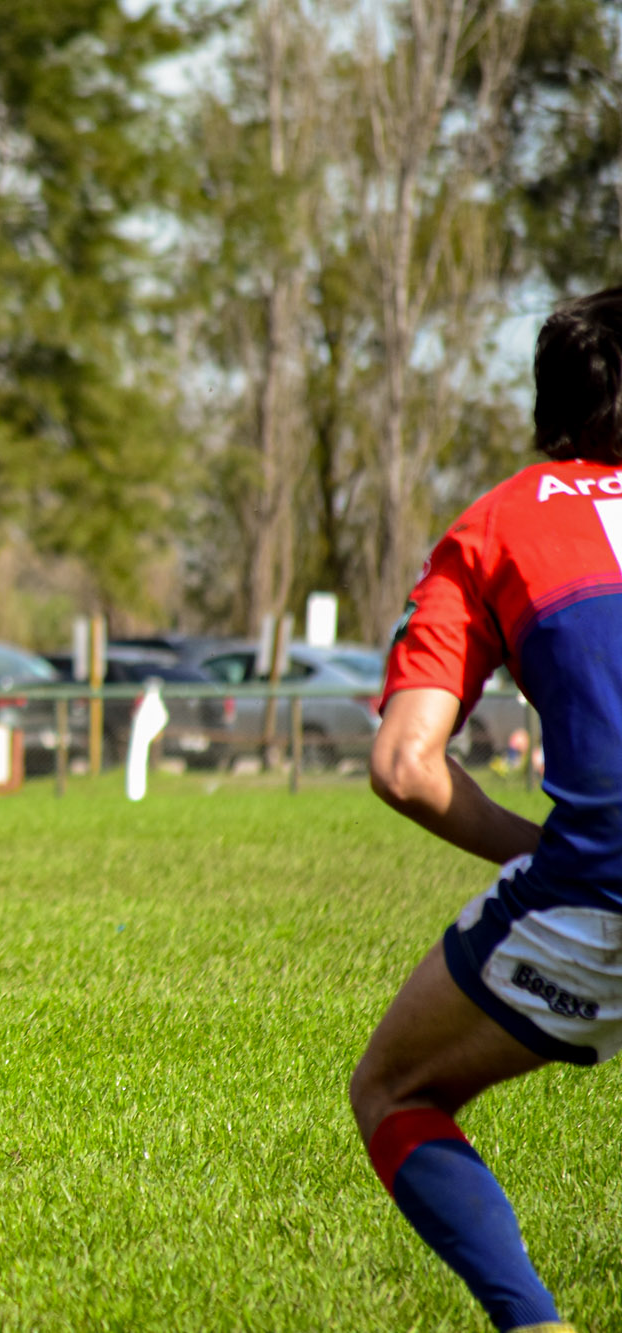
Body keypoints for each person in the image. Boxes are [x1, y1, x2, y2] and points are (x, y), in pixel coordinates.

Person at [350, 285, 622, 1333]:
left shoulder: (496, 524)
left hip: (598, 891)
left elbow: (404, 764)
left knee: (393, 1090)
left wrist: (544, 848)